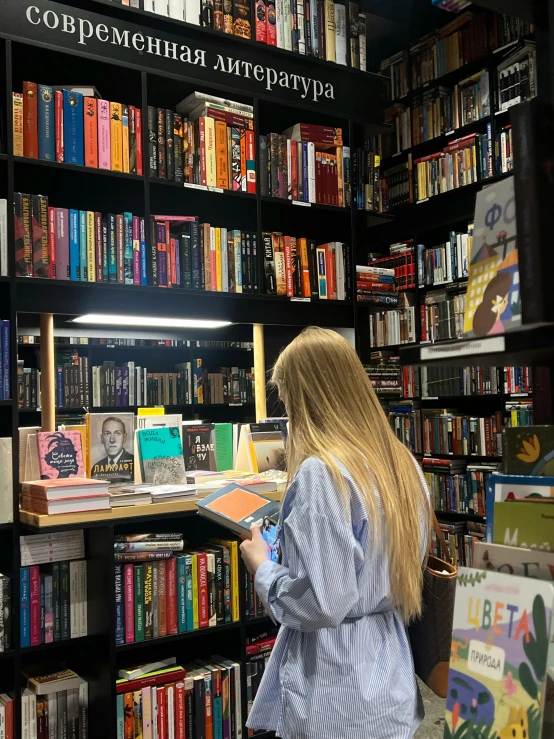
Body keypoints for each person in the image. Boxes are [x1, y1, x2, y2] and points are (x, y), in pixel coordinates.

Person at [240, 327, 431, 739]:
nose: (288, 413)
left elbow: (322, 603)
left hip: (334, 691)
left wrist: (263, 569)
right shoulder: (404, 465)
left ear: (305, 397)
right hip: (391, 679)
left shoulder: (321, 474)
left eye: (288, 398)